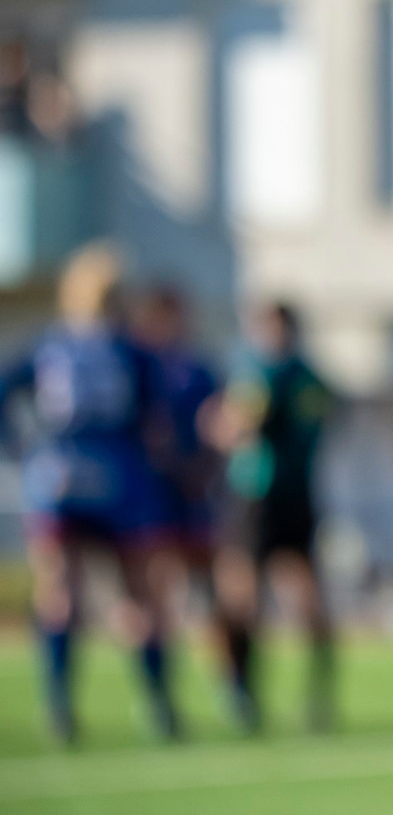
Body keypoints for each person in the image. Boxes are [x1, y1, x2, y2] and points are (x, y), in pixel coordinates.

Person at [0, 245, 180, 743]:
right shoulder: (128, 351)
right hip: (114, 476)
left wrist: (22, 451)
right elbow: (159, 418)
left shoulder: (51, 345)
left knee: (63, 594)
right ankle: (157, 704)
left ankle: (61, 708)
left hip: (61, 474)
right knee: (135, 595)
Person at [212, 300, 338, 731]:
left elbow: (236, 426)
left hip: (266, 496)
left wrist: (219, 423)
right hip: (279, 496)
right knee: (274, 599)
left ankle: (259, 692)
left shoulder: (267, 374)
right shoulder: (307, 376)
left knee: (263, 599)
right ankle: (278, 695)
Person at [127, 283, 245, 727]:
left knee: (207, 597)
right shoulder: (136, 365)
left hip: (193, 497)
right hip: (150, 498)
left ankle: (231, 688)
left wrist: (213, 455)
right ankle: (160, 699)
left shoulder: (197, 369)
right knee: (155, 598)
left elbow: (218, 421)